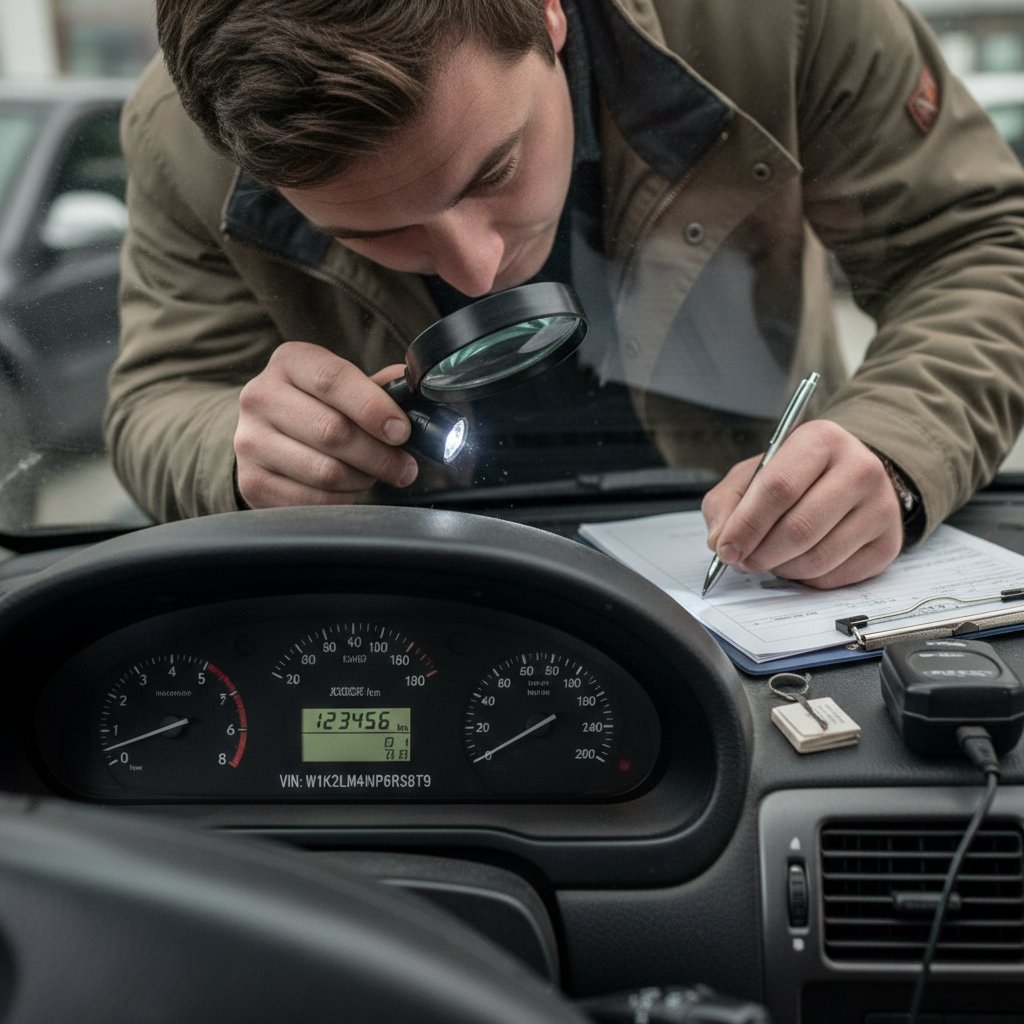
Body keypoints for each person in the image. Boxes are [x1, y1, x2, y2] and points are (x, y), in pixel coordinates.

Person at [107, 0, 1024, 590]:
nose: (474, 270)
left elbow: (978, 244)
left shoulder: (774, 16)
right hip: (411, 589)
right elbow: (160, 397)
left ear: (548, 14)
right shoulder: (188, 136)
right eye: (380, 231)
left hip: (748, 563)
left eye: (492, 171)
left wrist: (896, 444)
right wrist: (239, 452)